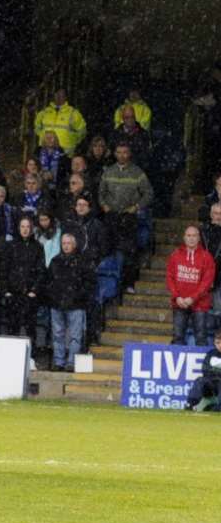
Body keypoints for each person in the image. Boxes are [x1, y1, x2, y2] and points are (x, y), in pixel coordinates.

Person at [99, 142, 153, 294]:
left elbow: (148, 193)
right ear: (114, 154)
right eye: (119, 152)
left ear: (129, 154)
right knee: (108, 250)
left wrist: (136, 207)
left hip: (129, 217)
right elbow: (101, 193)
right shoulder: (108, 172)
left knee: (129, 251)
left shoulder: (137, 172)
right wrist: (104, 205)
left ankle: (128, 283)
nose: (122, 155)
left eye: (125, 152)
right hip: (111, 216)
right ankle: (110, 285)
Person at [44, 234, 94, 371]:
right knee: (57, 335)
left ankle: (72, 362)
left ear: (74, 244)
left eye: (68, 243)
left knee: (75, 336)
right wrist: (53, 297)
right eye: (63, 243)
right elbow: (48, 282)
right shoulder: (55, 261)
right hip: (57, 304)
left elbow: (89, 283)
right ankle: (58, 362)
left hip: (76, 304)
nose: (65, 245)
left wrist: (78, 296)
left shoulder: (83, 261)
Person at [166, 226, 215, 346]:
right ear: (184, 237)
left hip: (200, 304)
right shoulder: (175, 255)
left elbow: (207, 282)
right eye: (189, 235)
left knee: (201, 337)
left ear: (199, 238)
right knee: (177, 336)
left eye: (194, 236)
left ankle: (203, 365)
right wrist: (177, 297)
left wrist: (192, 298)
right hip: (179, 302)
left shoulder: (207, 257)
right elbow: (169, 278)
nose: (191, 238)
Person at [4, 216, 45, 347]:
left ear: (32, 229)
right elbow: (4, 269)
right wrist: (7, 290)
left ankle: (31, 356)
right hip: (13, 293)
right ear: (18, 228)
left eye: (28, 227)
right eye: (22, 226)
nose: (25, 230)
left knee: (30, 327)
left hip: (29, 294)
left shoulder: (37, 247)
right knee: (12, 326)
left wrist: (34, 290)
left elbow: (41, 270)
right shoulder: (11, 246)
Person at [34, 88, 87, 154]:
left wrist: (72, 140)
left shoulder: (73, 113)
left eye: (61, 94)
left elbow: (82, 132)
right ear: (54, 96)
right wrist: (44, 136)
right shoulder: (44, 112)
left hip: (65, 155)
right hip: (46, 154)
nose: (58, 97)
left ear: (66, 97)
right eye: (57, 94)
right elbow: (37, 128)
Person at [186, 331, 221, 412]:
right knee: (200, 380)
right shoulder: (211, 354)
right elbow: (205, 370)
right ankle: (190, 404)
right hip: (212, 383)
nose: (220, 345)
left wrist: (215, 372)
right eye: (217, 343)